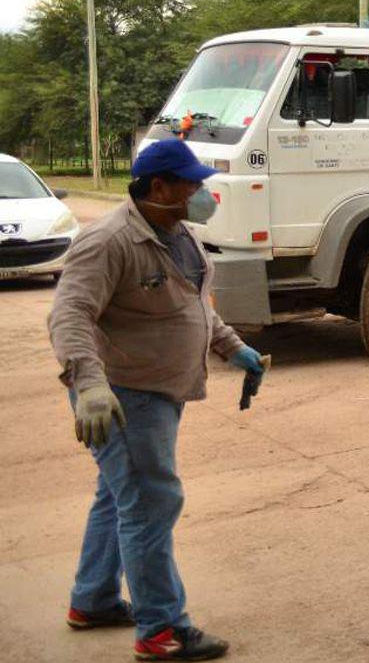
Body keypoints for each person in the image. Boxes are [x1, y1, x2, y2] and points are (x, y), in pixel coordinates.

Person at [49, 138, 268, 661]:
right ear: (159, 187)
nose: (200, 192)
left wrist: (235, 348)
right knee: (151, 503)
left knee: (118, 495)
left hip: (160, 392)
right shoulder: (109, 241)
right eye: (191, 183)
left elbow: (190, 305)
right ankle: (162, 629)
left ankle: (94, 599)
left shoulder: (179, 235)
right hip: (124, 396)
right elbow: (69, 315)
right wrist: (91, 385)